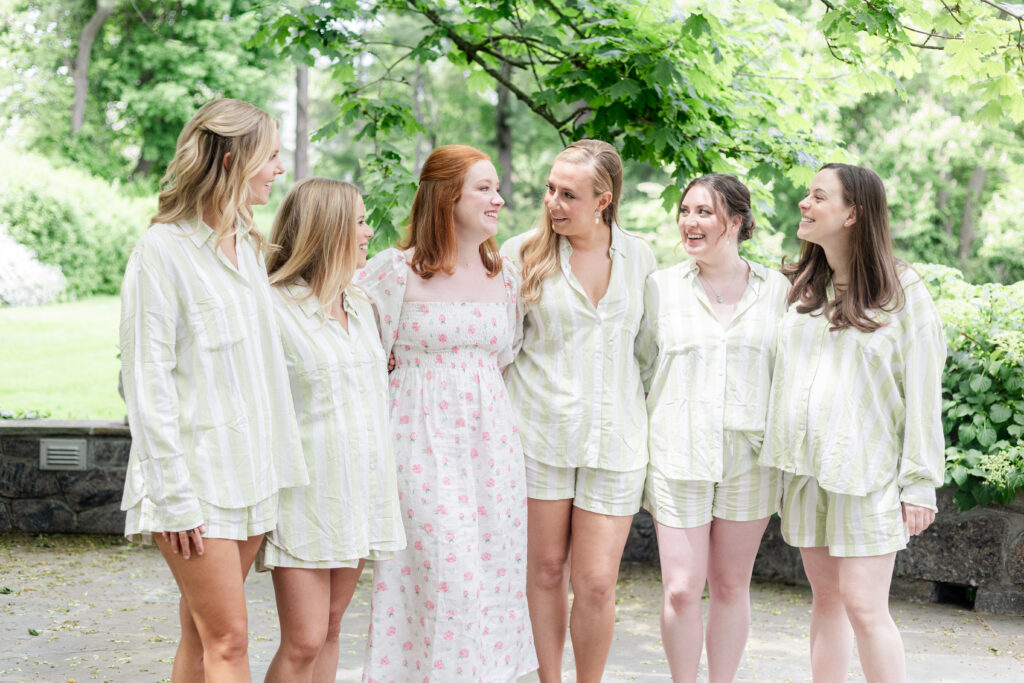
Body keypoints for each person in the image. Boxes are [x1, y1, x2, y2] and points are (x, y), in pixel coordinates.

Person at [119, 98, 308, 682]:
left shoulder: (249, 249)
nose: (280, 170)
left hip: (251, 475)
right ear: (232, 159)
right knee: (230, 640)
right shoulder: (162, 252)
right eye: (271, 157)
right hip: (194, 483)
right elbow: (145, 381)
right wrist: (173, 496)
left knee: (201, 639)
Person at [356, 144, 536, 682]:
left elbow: (503, 357)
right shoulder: (394, 272)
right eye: (484, 187)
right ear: (445, 195)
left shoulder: (503, 276)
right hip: (420, 447)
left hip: (491, 453)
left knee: (490, 585)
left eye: (496, 188)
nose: (498, 199)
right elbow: (364, 356)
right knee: (444, 579)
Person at [760, 163, 946, 683]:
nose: (804, 202)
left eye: (819, 196)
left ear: (852, 214)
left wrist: (920, 483)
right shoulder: (801, 288)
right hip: (806, 471)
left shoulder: (903, 292)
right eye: (806, 193)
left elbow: (924, 393)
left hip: (866, 476)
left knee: (865, 606)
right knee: (826, 603)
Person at [500, 139, 656, 683]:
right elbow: (498, 350)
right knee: (544, 572)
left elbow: (649, 354)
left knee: (595, 582)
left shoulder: (641, 258)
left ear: (603, 200)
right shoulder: (520, 255)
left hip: (615, 442)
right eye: (550, 189)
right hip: (537, 436)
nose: (553, 202)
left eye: (568, 194)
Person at [636, 174, 788, 682]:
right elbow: (639, 369)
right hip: (677, 455)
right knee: (680, 587)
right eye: (685, 211)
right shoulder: (660, 289)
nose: (689, 222)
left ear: (737, 221)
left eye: (703, 212)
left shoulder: (778, 292)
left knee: (730, 586)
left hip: (751, 460)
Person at [261, 178, 406, 682]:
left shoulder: (362, 306)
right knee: (302, 640)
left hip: (359, 491)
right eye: (361, 221)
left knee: (331, 628)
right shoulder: (274, 309)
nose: (369, 231)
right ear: (330, 229)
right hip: (306, 497)